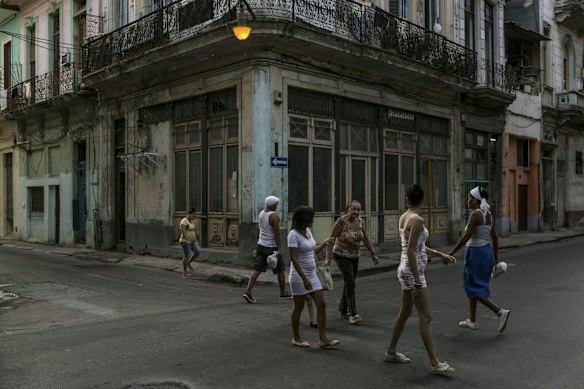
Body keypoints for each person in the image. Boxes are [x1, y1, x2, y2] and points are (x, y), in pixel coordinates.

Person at [385, 184, 456, 376]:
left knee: (405, 313)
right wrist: (417, 280)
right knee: (426, 317)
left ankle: (391, 351)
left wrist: (439, 254)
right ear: (423, 200)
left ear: (407, 200)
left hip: (406, 270)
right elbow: (410, 250)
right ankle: (435, 363)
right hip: (411, 272)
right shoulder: (417, 220)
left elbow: (417, 246)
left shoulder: (404, 217)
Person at [449, 186, 510, 333]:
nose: (468, 200)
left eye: (470, 198)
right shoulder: (488, 214)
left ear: (476, 200)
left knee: (473, 287)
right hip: (485, 252)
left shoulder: (475, 215)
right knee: (474, 285)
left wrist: (452, 252)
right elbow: (494, 238)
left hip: (475, 253)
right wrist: (495, 259)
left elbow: (466, 236)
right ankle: (472, 320)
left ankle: (499, 312)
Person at [288, 206, 340, 348]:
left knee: (321, 304)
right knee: (298, 308)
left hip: (312, 274)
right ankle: (296, 337)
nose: (313, 220)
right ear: (303, 219)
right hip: (299, 276)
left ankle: (323, 339)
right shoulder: (293, 235)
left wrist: (324, 244)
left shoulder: (308, 231)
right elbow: (294, 259)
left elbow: (312, 252)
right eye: (311, 217)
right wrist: (304, 279)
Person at [328, 200, 379, 325]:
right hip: (341, 255)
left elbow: (366, 238)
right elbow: (331, 239)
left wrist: (373, 253)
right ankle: (353, 313)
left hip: (355, 255)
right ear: (348, 209)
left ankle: (343, 310)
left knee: (349, 282)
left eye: (358, 209)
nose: (356, 212)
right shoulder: (341, 221)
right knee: (350, 281)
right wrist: (328, 258)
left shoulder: (360, 221)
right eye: (354, 209)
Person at [243, 196, 292, 303]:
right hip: (271, 247)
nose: (277, 206)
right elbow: (277, 234)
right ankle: (283, 293)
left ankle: (248, 291)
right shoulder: (274, 216)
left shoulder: (261, 213)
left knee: (257, 269)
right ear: (273, 205)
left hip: (261, 245)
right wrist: (279, 249)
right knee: (280, 270)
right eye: (276, 204)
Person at [179, 208, 201, 277]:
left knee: (198, 251)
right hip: (185, 241)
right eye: (193, 216)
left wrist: (195, 238)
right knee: (187, 256)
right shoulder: (184, 221)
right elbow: (183, 231)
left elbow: (192, 230)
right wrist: (187, 240)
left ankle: (188, 263)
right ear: (189, 214)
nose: (194, 217)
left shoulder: (190, 221)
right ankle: (184, 271)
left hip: (193, 241)